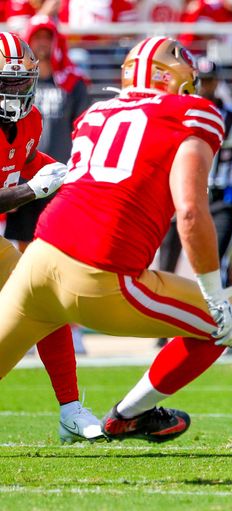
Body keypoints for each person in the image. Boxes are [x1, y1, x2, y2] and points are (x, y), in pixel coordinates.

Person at [0, 36, 232, 443]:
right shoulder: (192, 113)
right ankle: (127, 416)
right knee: (226, 321)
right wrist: (215, 293)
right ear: (174, 81)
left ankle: (73, 410)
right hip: (100, 272)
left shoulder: (96, 113)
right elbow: (189, 210)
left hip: (40, 260)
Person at [0, 31, 102, 443]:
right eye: (8, 84)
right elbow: (25, 184)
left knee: (45, 300)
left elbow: (26, 163)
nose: (17, 92)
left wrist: (69, 173)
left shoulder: (28, 120)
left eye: (22, 82)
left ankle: (71, 410)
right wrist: (34, 189)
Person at [157, 56, 232, 352]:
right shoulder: (177, 114)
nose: (206, 87)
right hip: (180, 196)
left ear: (219, 82)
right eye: (201, 81)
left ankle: (229, 329)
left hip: (222, 198)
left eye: (212, 80)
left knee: (217, 263)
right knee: (166, 263)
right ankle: (163, 328)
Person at [6, 16, 89, 256]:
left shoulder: (72, 83)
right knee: (23, 249)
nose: (42, 43)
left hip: (56, 175)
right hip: (21, 176)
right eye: (37, 37)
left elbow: (83, 129)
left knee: (57, 246)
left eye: (47, 38)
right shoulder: (14, 84)